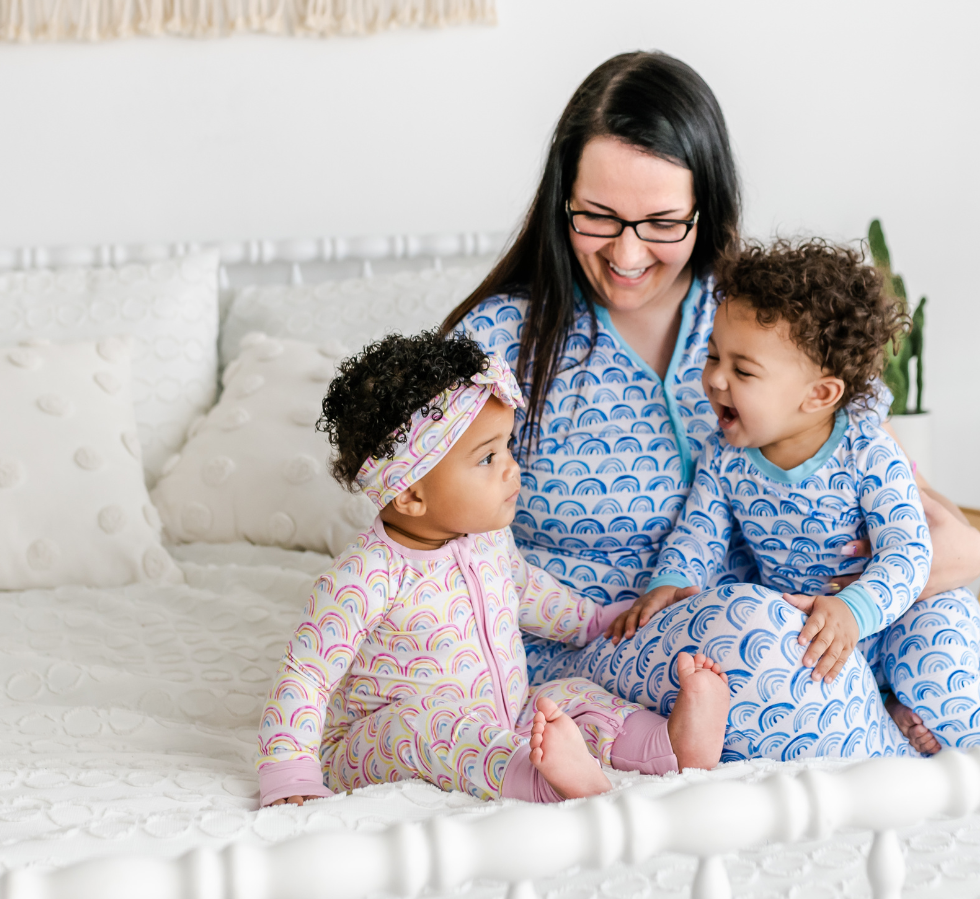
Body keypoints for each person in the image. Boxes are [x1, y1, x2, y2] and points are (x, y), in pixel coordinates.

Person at [446, 51, 980, 759]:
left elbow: (925, 521)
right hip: (611, 653)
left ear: (707, 210)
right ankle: (936, 771)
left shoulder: (763, 318)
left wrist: (894, 578)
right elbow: (431, 543)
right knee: (765, 644)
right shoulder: (499, 345)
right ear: (562, 201)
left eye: (662, 223)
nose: (629, 253)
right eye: (599, 218)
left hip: (820, 636)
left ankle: (923, 745)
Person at [254, 334, 731, 806]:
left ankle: (668, 744)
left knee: (567, 696)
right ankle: (545, 780)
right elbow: (305, 676)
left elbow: (527, 591)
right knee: (430, 728)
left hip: (503, 713)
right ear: (411, 494)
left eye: (505, 447)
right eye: (487, 457)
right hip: (376, 740)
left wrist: (595, 621)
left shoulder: (487, 540)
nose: (511, 468)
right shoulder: (363, 578)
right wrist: (289, 771)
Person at [616, 239, 980, 753]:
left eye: (742, 370)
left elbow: (909, 553)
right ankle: (894, 717)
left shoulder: (868, 451)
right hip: (819, 631)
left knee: (937, 670)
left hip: (902, 612)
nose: (713, 378)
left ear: (819, 395)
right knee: (817, 686)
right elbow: (698, 536)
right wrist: (670, 584)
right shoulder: (726, 457)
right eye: (713, 355)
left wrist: (855, 610)